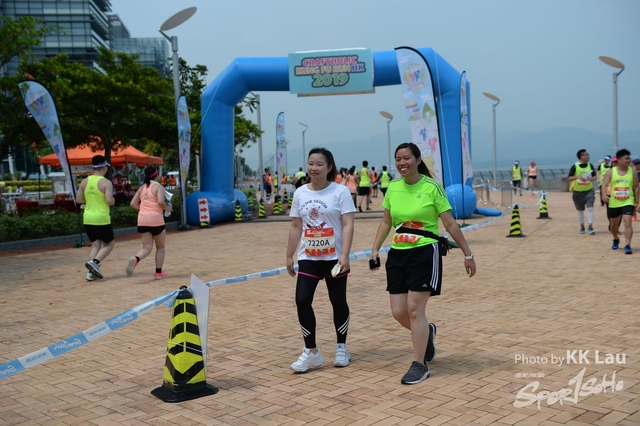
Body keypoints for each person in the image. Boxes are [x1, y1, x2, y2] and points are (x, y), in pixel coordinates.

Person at [369, 143, 476, 385]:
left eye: (407, 158)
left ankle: (420, 364)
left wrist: (467, 254)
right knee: (399, 312)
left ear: (418, 160)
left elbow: (449, 223)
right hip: (398, 253)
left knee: (415, 309)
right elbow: (386, 221)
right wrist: (375, 248)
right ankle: (427, 332)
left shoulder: (432, 187)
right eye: (398, 159)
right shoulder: (393, 187)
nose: (402, 163)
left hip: (425, 252)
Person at [286, 147, 356, 373]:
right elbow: (296, 225)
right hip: (309, 257)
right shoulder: (300, 193)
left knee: (338, 301)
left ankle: (341, 347)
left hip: (335, 257)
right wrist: (289, 254)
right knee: (302, 300)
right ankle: (311, 351)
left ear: (329, 167)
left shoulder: (340, 192)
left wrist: (345, 255)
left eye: (319, 164)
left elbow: (348, 224)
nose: (314, 168)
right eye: (310, 163)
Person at [126, 166, 172, 279]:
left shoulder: (141, 188)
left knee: (146, 247)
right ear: (156, 175)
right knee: (160, 247)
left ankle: (136, 259)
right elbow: (160, 201)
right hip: (156, 219)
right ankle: (158, 272)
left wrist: (143, 210)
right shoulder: (158, 186)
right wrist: (167, 208)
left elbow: (132, 204)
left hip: (142, 219)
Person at [76, 155, 115, 281]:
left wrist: (90, 200)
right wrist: (113, 200)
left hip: (88, 218)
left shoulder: (84, 181)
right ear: (104, 167)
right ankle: (95, 262)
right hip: (101, 218)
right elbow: (109, 201)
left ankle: (91, 273)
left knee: (96, 245)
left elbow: (78, 200)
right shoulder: (106, 183)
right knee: (109, 244)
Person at [601, 149, 639, 254]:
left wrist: (637, 202)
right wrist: (604, 195)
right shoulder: (611, 172)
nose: (628, 160)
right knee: (614, 225)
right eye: (626, 158)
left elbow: (636, 187)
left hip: (628, 201)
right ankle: (616, 238)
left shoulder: (633, 172)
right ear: (619, 160)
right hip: (614, 202)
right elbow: (604, 185)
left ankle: (628, 245)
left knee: (627, 222)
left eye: (629, 158)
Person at [568, 149, 597, 235]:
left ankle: (590, 226)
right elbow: (569, 178)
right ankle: (582, 227)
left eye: (587, 154)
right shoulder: (575, 166)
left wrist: (592, 179)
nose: (587, 156)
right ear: (581, 157)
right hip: (578, 192)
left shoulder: (590, 165)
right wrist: (577, 177)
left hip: (589, 190)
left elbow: (595, 176)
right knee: (580, 210)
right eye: (585, 155)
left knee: (590, 208)